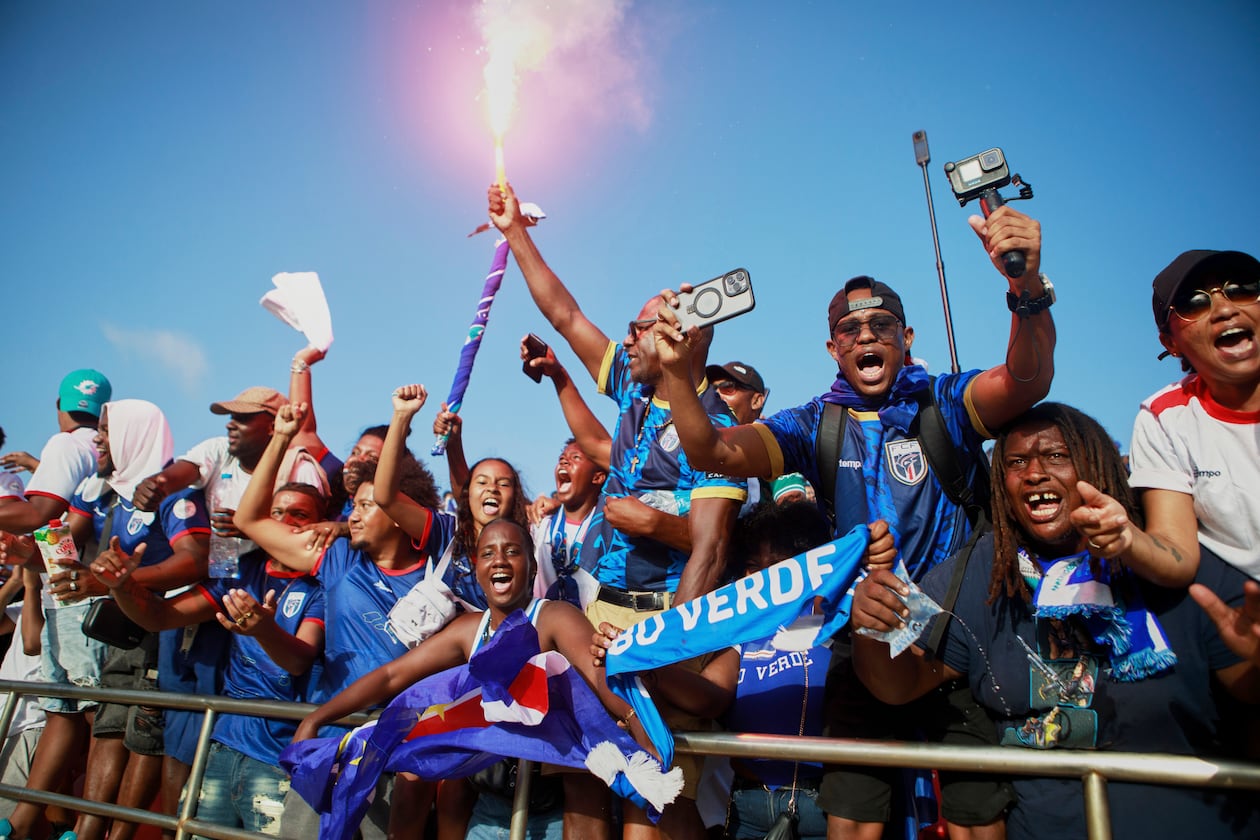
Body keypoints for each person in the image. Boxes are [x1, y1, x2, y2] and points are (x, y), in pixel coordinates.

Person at [652, 206, 1052, 838]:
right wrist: (679, 373)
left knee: (978, 821)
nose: (867, 336)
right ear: (833, 348)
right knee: (855, 821)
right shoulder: (814, 423)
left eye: (882, 325)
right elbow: (714, 452)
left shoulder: (944, 403)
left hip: (953, 647)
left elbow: (1027, 380)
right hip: (860, 647)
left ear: (907, 337)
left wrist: (1025, 289)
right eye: (850, 328)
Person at [850, 402, 1260, 840]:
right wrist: (872, 630)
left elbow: (1248, 690)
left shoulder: (1172, 563)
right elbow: (902, 684)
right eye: (1016, 462)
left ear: (1097, 465)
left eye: (1056, 456)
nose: (1034, 474)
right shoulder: (977, 575)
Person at [488, 182, 746, 840]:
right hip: (597, 616)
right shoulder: (633, 392)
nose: (626, 338)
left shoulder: (717, 432)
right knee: (587, 776)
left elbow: (712, 552)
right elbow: (566, 315)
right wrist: (517, 231)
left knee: (657, 795)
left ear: (678, 339)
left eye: (641, 328)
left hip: (663, 624)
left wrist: (669, 650)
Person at [292, 518, 648, 840]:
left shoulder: (555, 617)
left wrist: (642, 735)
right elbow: (391, 676)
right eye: (488, 553)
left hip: (549, 815)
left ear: (532, 566)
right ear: (477, 569)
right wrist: (318, 717)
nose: (500, 560)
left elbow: (601, 678)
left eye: (513, 551)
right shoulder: (468, 630)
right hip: (488, 814)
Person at [232, 400, 450, 840]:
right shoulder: (337, 559)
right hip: (329, 746)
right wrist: (279, 437)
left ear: (400, 511)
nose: (353, 514)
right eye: (353, 504)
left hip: (399, 759)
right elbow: (248, 519)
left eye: (368, 505)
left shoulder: (442, 577)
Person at [89, 483, 326, 838]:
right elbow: (160, 617)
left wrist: (263, 630)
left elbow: (297, 661)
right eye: (276, 512)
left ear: (320, 525)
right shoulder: (241, 568)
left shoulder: (325, 581)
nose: (285, 521)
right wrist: (123, 585)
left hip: (279, 755)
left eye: (299, 514)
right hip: (222, 743)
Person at [0, 369, 111, 840]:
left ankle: (73, 829)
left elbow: (50, 521)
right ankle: (26, 823)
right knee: (68, 712)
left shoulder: (66, 445)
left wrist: (41, 564)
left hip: (73, 595)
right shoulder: (102, 446)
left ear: (58, 402)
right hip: (70, 586)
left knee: (86, 713)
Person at [1124, 249, 1260, 585]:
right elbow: (1178, 554)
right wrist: (1124, 538)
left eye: (1242, 287)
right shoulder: (1163, 418)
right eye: (1193, 302)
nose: (1226, 309)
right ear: (1170, 343)